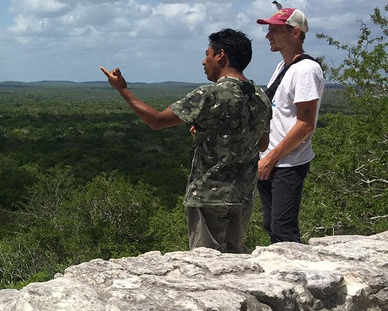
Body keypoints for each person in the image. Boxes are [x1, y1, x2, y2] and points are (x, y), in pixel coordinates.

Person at [101, 29, 271, 253]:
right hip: (244, 196)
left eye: (207, 54)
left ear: (221, 55)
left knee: (207, 268)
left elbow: (156, 120)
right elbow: (261, 144)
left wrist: (123, 90)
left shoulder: (209, 95)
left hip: (210, 194)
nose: (204, 61)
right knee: (236, 262)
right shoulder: (261, 96)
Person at [255, 6, 324, 243]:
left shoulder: (305, 70)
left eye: (275, 29)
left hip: (287, 163)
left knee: (283, 229)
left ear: (295, 33)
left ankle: (293, 277)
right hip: (272, 159)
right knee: (271, 224)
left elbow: (305, 125)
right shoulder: (283, 67)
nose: (268, 36)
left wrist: (271, 158)